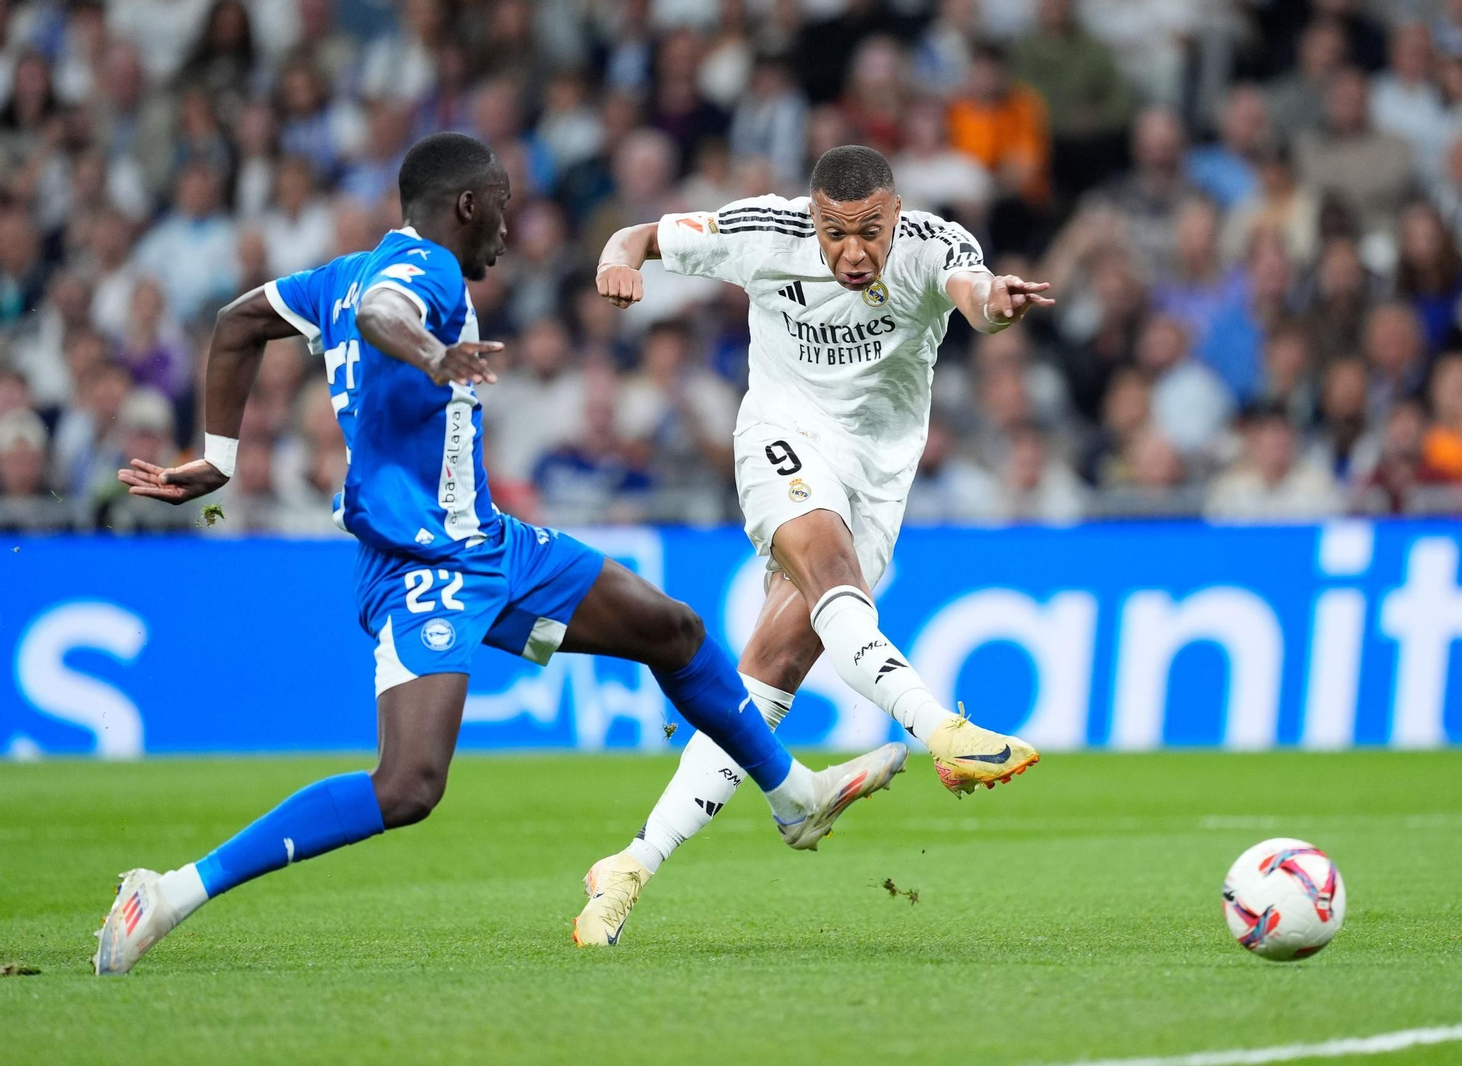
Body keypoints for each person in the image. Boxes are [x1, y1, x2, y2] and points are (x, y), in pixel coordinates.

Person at [93, 134, 905, 976]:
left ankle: (792, 795)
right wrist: (434, 354)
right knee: (408, 785)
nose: (508, 230)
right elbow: (384, 315)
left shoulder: (337, 275)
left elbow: (238, 323)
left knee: (674, 632)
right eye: (503, 208)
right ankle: (169, 891)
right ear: (468, 205)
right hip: (424, 565)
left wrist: (218, 458)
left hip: (491, 543)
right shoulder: (428, 272)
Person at [583, 145, 1050, 945]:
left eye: (870, 231)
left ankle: (631, 863)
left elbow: (973, 295)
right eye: (836, 233)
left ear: (895, 214)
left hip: (876, 482)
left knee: (768, 672)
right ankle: (940, 729)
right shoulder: (766, 232)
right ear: (813, 218)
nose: (853, 251)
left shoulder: (935, 245)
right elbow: (639, 236)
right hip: (783, 438)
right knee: (833, 573)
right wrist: (616, 262)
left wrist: (997, 305)